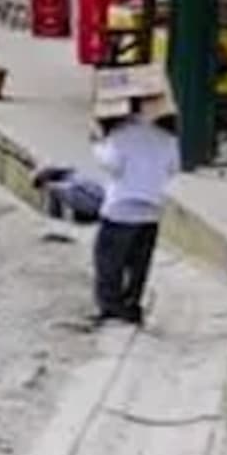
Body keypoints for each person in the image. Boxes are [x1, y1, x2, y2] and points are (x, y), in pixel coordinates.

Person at [91, 91, 180, 326]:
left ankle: (111, 306)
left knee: (109, 260)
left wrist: (97, 143)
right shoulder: (166, 137)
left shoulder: (121, 134)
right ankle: (132, 304)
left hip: (120, 207)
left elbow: (112, 164)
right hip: (151, 207)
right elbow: (173, 167)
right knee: (139, 262)